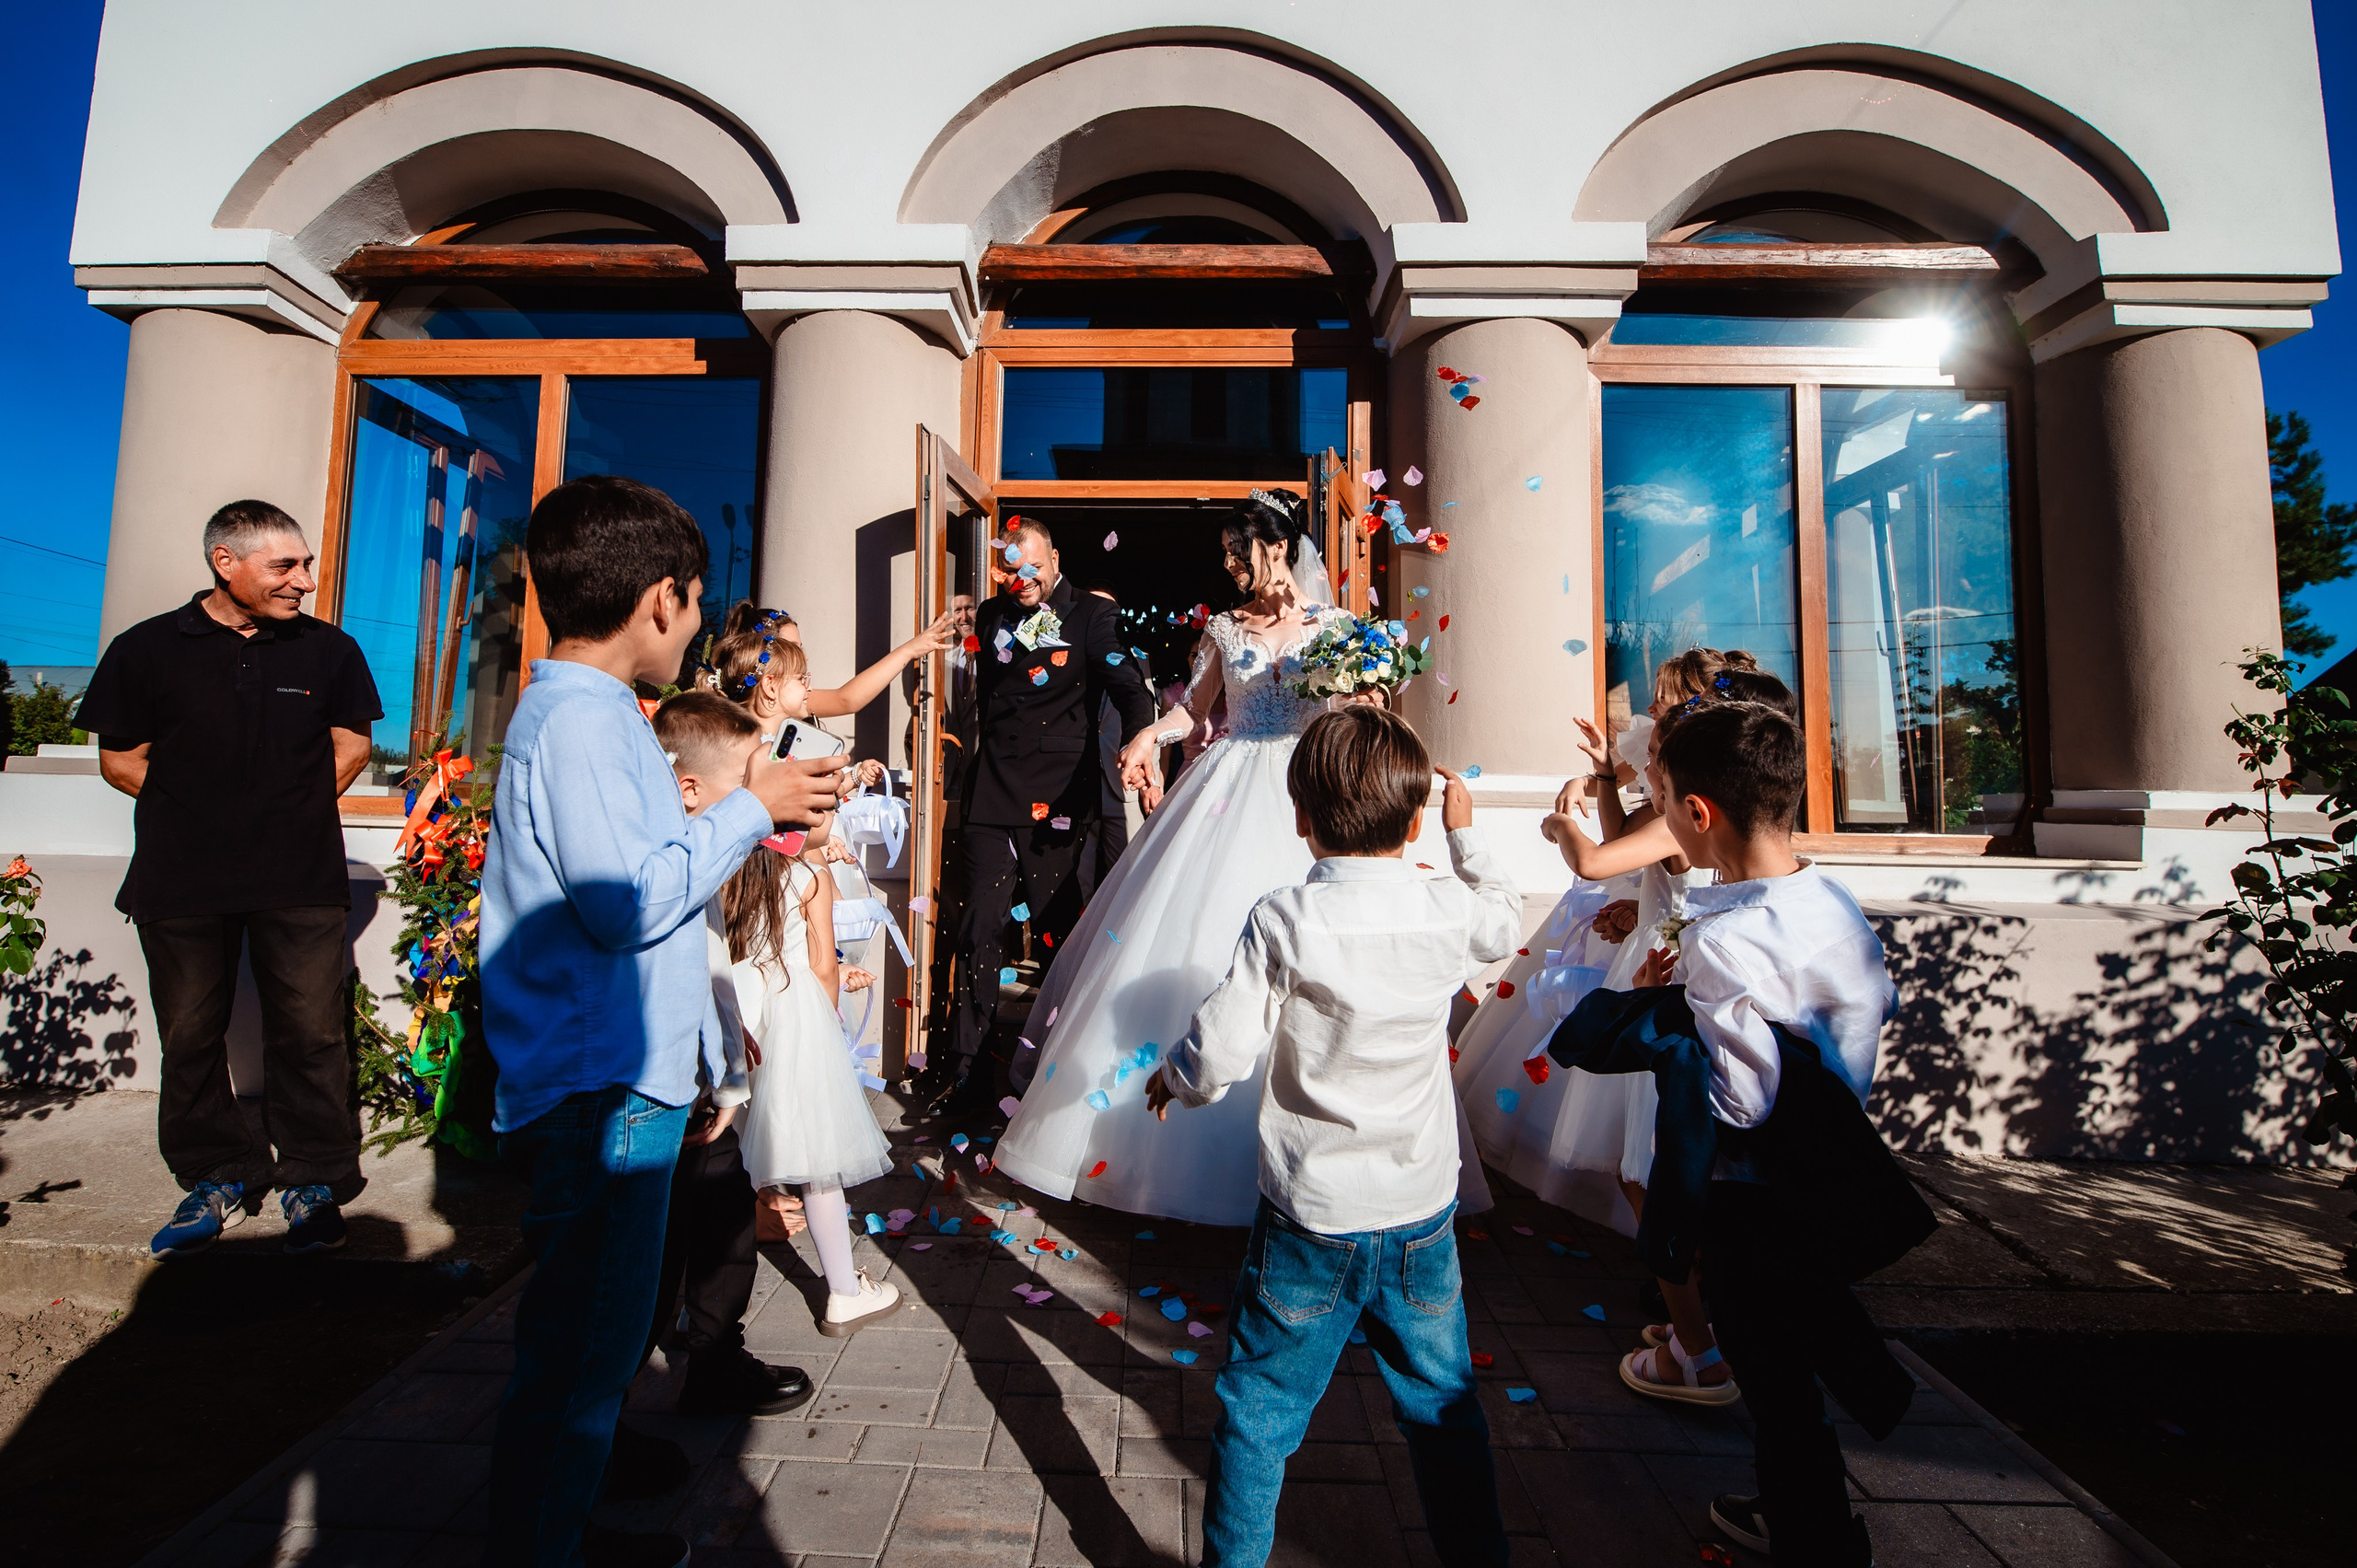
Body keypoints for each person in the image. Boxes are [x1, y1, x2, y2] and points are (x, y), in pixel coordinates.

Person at [478, 474, 845, 1568]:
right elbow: (626, 901)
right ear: (660, 601)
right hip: (602, 1083)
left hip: (625, 1068)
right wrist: (752, 806)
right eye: (693, 603)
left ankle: (566, 1493)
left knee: (590, 1331)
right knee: (587, 1341)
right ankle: (545, 1536)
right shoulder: (583, 726)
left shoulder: (590, 716)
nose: (694, 625)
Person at [1549, 698, 1923, 1567]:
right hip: (1830, 1158)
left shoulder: (1726, 942)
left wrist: (1663, 1008)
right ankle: (1798, 1504)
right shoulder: (1829, 898)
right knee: (1792, 1361)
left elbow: (1741, 1101)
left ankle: (1814, 1533)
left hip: (1758, 1195)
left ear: (1697, 814)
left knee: (1775, 1372)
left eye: (1664, 795)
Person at [1144, 707, 1517, 1568]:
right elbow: (1501, 919)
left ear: (1301, 814)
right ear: (1417, 819)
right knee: (1443, 1407)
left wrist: (1177, 1077)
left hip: (1311, 1217)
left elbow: (1223, 1048)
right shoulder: (1444, 910)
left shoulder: (1286, 918)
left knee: (1260, 1412)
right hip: (1420, 1210)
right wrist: (1469, 843)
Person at [990, 490, 1353, 1223]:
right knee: (1201, 934)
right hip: (1230, 785)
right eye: (1223, 552)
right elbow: (1197, 708)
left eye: (1235, 549)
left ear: (1276, 545)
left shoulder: (1337, 627)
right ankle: (1155, 1139)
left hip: (1307, 790)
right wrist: (1150, 735)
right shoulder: (1224, 626)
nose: (1227, 563)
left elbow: (1351, 711)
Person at [74, 500, 383, 1259]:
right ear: (226, 563)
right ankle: (215, 1174)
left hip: (300, 872)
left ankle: (313, 1175)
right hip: (181, 876)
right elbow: (120, 759)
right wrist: (202, 814)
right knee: (188, 1034)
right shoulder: (145, 648)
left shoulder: (330, 652)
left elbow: (351, 746)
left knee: (311, 1029)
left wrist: (282, 812)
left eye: (305, 564)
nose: (304, 581)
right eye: (286, 566)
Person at [706, 640, 905, 1336]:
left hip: (730, 1014)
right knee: (819, 1165)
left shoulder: (728, 871)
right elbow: (821, 965)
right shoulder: (808, 876)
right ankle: (843, 1288)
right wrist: (825, 1016)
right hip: (793, 1023)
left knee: (719, 1151)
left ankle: (690, 1294)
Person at [935, 515, 1157, 1115]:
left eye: (1031, 564)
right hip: (991, 793)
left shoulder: (1092, 615)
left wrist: (1140, 745)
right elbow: (983, 701)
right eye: (1010, 566)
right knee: (979, 930)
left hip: (1057, 800)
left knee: (1059, 936)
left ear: (1054, 558)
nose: (1022, 576)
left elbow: (1133, 691)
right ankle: (967, 1072)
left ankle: (1053, 1073)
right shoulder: (989, 615)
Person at [636, 692, 819, 1419]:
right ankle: (615, 1410)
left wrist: (727, 1022)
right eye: (745, 783)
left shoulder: (710, 849)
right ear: (689, 789)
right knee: (656, 1252)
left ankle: (715, 1357)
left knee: (726, 1221)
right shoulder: (664, 854)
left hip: (707, 1071)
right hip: (663, 1080)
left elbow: (710, 953)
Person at [1080, 584, 1163, 897]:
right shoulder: (1068, 660)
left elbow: (1147, 724)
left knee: (1126, 879)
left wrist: (1150, 782)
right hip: (1079, 784)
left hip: (1122, 782)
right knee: (1079, 881)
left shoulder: (1136, 661)